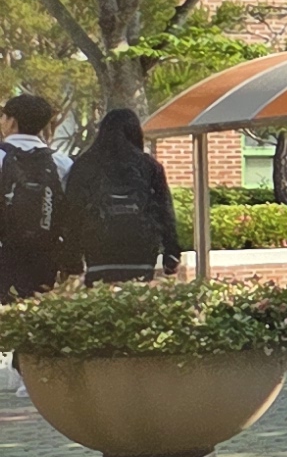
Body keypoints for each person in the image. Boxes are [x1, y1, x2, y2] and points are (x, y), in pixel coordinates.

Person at [56, 109, 175, 282]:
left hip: (98, 248)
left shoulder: (84, 165)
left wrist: (71, 258)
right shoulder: (149, 166)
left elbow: (73, 213)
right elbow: (165, 210)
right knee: (137, 299)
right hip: (141, 248)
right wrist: (171, 252)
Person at [0, 93, 66, 301]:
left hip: (4, 253)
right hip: (45, 253)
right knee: (37, 310)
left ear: (12, 122)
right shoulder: (61, 162)